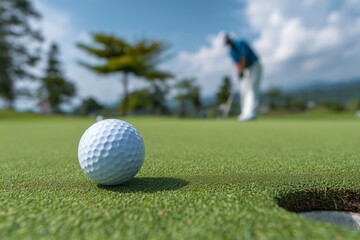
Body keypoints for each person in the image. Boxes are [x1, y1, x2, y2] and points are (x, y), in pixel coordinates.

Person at [225, 34, 262, 121]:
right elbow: (237, 63)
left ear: (229, 38)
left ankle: (250, 113)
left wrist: (241, 70)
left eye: (227, 41)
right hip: (245, 69)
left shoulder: (240, 43)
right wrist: (239, 73)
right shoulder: (231, 51)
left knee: (252, 89)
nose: (228, 44)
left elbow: (243, 58)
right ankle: (244, 113)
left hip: (254, 65)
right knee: (243, 90)